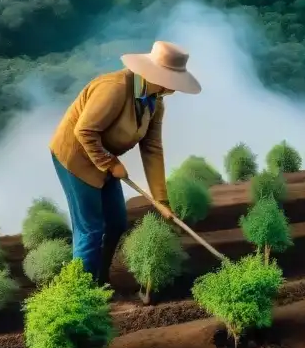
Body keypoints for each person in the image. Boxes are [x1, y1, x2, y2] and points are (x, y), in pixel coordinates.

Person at [48, 40, 202, 284]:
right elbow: (85, 131)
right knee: (91, 230)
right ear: (155, 75)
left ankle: (100, 280)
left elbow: (152, 148)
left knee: (117, 223)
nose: (173, 90)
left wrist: (161, 200)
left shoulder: (155, 101)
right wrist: (110, 164)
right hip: (75, 157)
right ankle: (80, 291)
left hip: (104, 158)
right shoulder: (114, 88)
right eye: (171, 83)